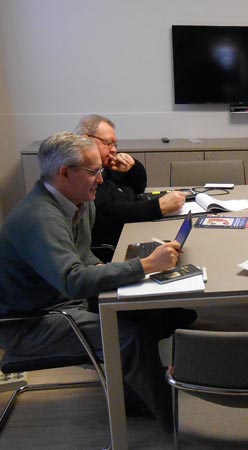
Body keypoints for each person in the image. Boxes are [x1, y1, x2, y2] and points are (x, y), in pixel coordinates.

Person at [0, 132, 196, 432]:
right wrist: (144, 265)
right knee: (128, 335)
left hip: (58, 301)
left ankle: (137, 393)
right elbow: (73, 281)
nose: (101, 180)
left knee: (148, 312)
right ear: (65, 173)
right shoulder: (39, 218)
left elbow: (84, 257)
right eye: (94, 172)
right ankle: (176, 418)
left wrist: (113, 271)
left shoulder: (77, 201)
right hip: (28, 323)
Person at [74, 114, 186, 256]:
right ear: (86, 140)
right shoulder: (83, 173)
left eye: (115, 145)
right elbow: (108, 213)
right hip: (116, 245)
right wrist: (159, 206)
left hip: (132, 230)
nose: (114, 150)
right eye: (108, 143)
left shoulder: (108, 167)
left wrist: (133, 167)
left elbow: (138, 188)